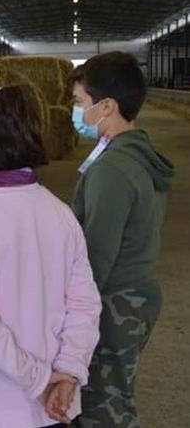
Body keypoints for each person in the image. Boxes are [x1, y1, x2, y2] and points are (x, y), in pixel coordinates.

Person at [0, 85, 102, 428]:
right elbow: (85, 305)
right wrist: (67, 373)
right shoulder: (61, 214)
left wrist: (40, 380)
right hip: (56, 404)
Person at [68, 52, 175, 428]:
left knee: (101, 409)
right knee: (115, 395)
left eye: (81, 102)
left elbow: (97, 255)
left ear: (107, 106)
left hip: (114, 304)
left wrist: (72, 323)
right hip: (137, 297)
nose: (77, 112)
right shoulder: (137, 155)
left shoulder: (112, 170)